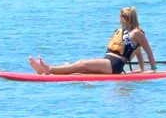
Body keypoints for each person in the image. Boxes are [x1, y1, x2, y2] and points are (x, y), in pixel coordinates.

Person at [28, 7, 157, 75]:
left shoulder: (137, 33)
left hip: (114, 64)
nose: (119, 20)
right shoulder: (124, 31)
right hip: (109, 62)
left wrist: (152, 69)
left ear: (124, 18)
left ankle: (49, 69)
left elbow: (147, 51)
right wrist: (140, 69)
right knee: (78, 71)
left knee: (82, 64)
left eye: (120, 17)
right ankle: (47, 71)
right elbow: (137, 51)